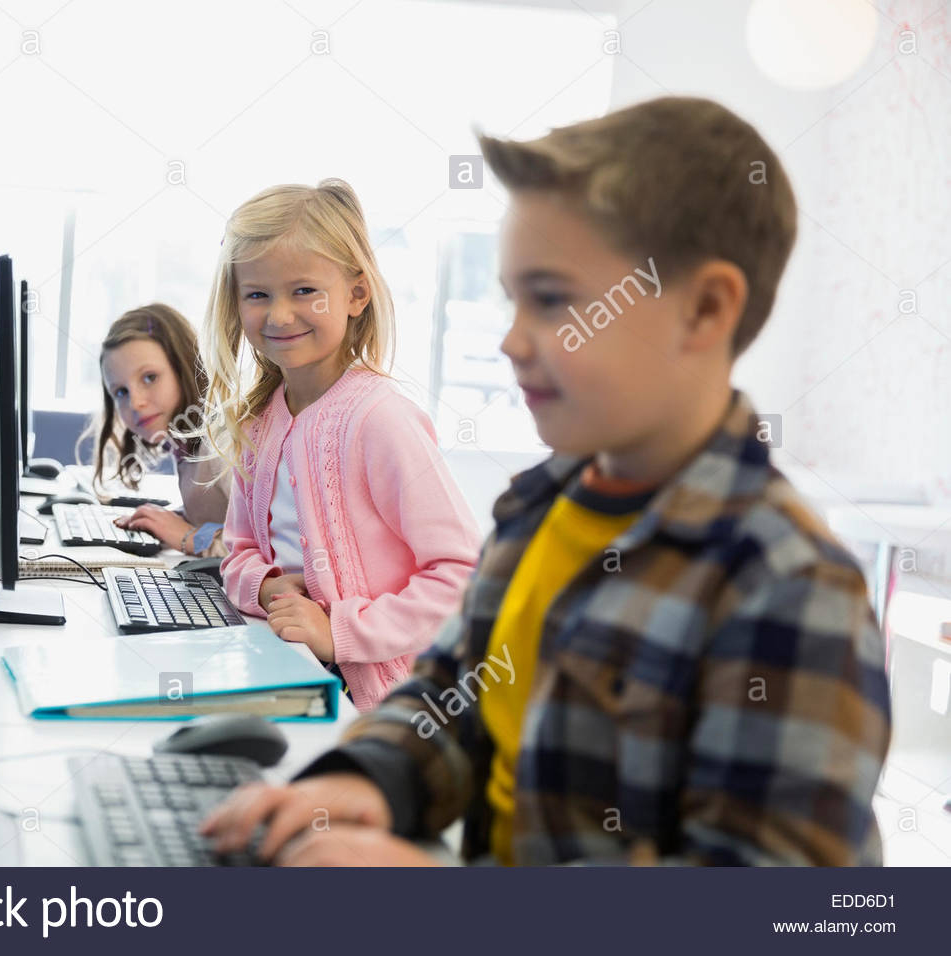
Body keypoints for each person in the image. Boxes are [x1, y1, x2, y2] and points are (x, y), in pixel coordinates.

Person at [202, 97, 891, 866]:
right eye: (512, 298)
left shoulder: (789, 587)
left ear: (704, 309)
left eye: (554, 301)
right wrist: (367, 779)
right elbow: (453, 705)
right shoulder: (542, 509)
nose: (511, 339)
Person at [202, 179, 480, 712]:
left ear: (356, 294)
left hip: (388, 707)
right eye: (258, 294)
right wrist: (264, 590)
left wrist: (341, 632)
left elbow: (464, 577)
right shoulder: (259, 422)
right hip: (293, 668)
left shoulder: (380, 420)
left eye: (304, 290)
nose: (280, 315)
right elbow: (237, 553)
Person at [94, 304, 229, 558]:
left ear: (185, 367)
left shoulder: (223, 441)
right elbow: (220, 518)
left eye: (149, 378)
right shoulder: (184, 444)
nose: (135, 403)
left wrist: (189, 537)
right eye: (121, 392)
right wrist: (169, 520)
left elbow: (266, 549)